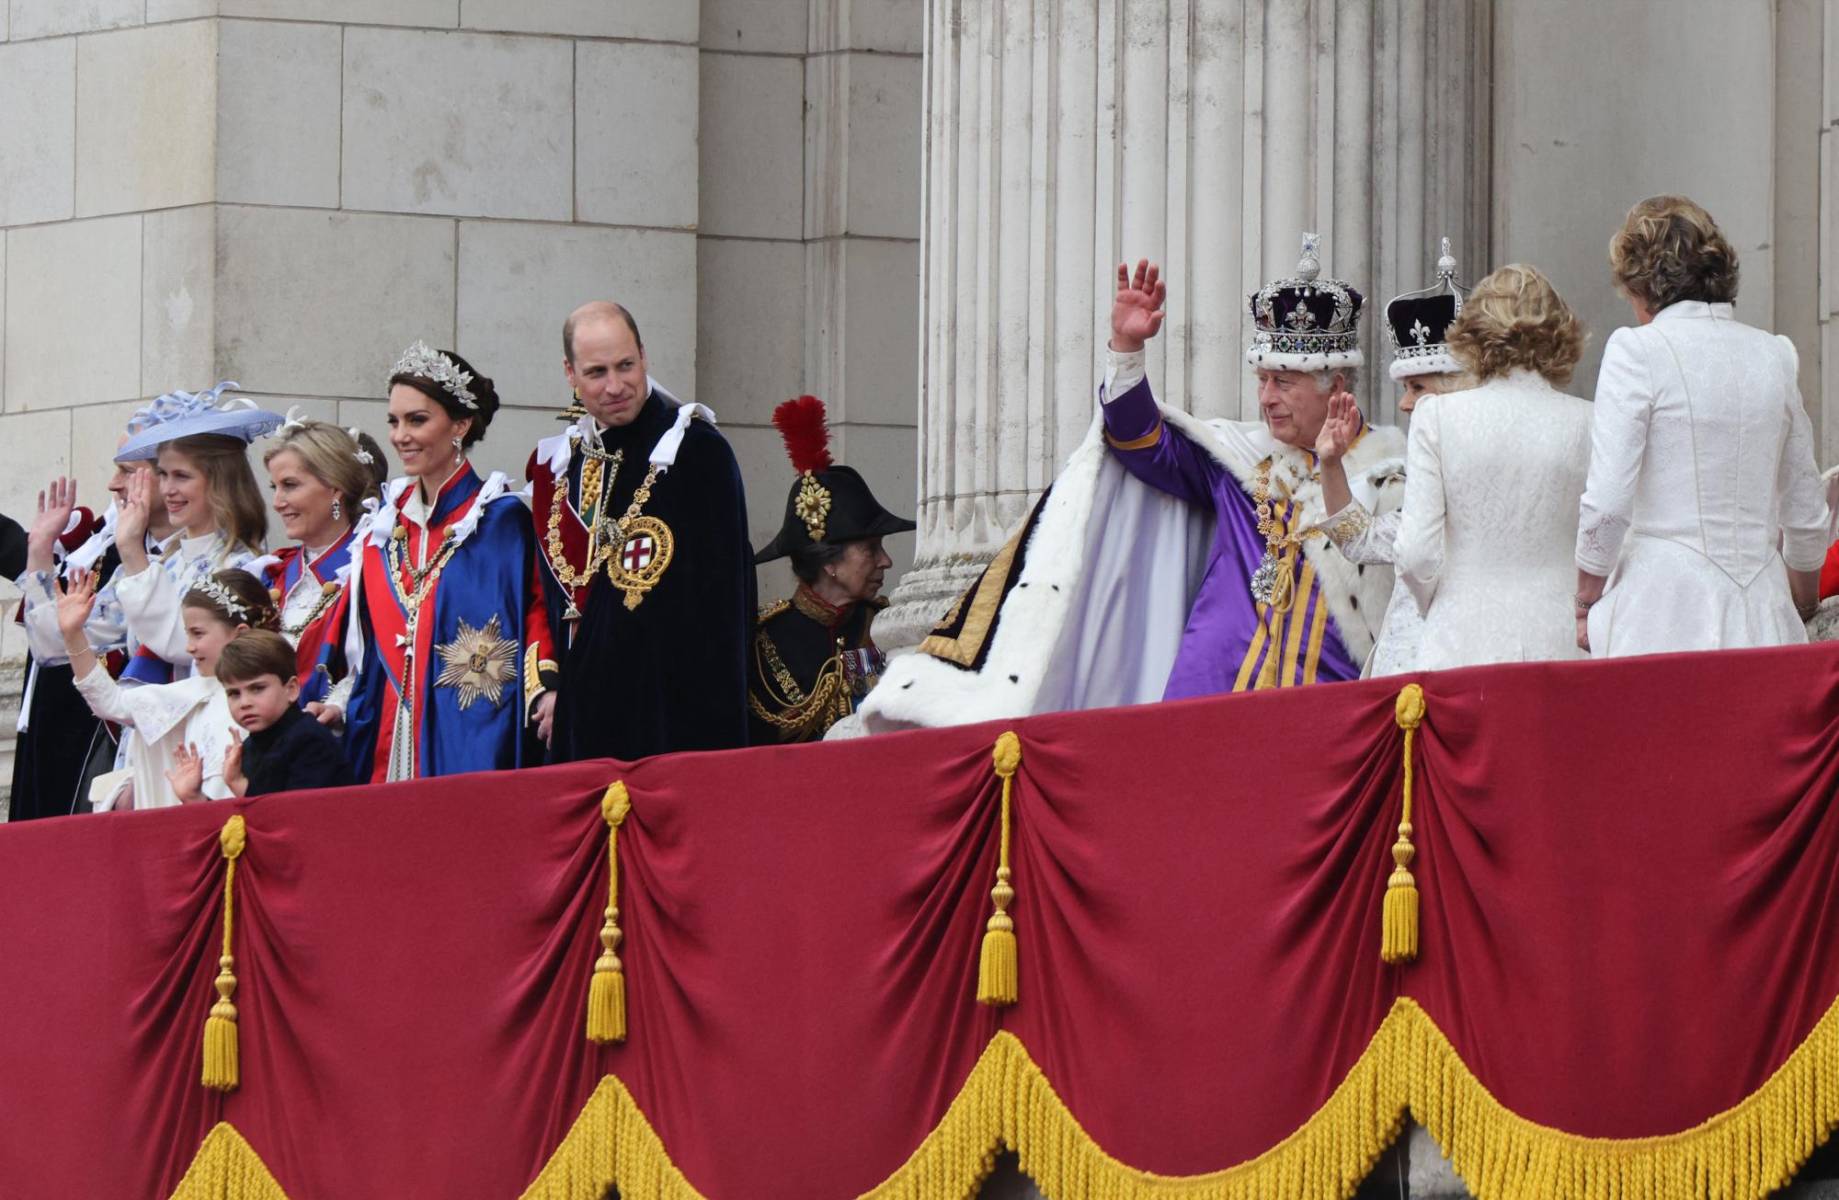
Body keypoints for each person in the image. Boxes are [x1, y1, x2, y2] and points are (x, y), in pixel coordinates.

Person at [858, 235, 1406, 730]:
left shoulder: (1390, 478)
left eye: (1282, 383)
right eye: (1261, 379)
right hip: (1205, 710)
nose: (1265, 398)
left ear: (1335, 384)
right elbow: (1139, 442)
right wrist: (1126, 350)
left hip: (1327, 724)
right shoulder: (1242, 461)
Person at [1575, 196, 1828, 655]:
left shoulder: (1636, 351)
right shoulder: (1776, 355)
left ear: (1641, 284)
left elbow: (1608, 504)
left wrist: (1585, 597)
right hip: (1764, 613)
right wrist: (1803, 600)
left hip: (1661, 614)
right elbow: (1807, 515)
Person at [530, 301, 754, 762]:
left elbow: (722, 610)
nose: (615, 387)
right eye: (596, 372)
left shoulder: (695, 451)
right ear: (570, 374)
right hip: (578, 728)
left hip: (670, 728)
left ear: (644, 356)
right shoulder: (569, 462)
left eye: (626, 366)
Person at [336, 343, 557, 783]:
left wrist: (545, 687)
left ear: (460, 424)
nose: (400, 435)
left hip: (474, 726)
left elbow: (535, 608)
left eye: (417, 420)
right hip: (387, 722)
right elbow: (362, 639)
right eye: (394, 421)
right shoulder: (384, 525)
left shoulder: (502, 519)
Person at [1377, 264, 1593, 669]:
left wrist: (1443, 607)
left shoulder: (1437, 416)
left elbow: (1415, 554)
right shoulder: (1591, 421)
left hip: (1460, 639)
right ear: (1559, 333)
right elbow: (1607, 541)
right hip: (1562, 640)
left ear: (1473, 333)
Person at [10, 396, 194, 819]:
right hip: (137, 751)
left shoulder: (219, 558)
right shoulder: (130, 557)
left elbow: (177, 644)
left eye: (127, 472)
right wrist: (39, 550)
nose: (112, 485)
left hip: (191, 752)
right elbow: (50, 645)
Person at [1317, 239, 1470, 677]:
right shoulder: (1427, 472)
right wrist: (1331, 464)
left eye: (1417, 388)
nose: (1404, 405)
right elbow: (1357, 540)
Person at [749, 396, 914, 743]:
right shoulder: (763, 640)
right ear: (829, 562)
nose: (886, 561)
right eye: (870, 549)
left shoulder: (885, 626)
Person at [57, 568, 274, 810]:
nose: (189, 648)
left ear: (239, 633)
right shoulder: (193, 693)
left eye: (198, 634)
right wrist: (73, 635)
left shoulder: (275, 696)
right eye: (187, 635)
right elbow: (111, 702)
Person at [110, 383, 282, 681]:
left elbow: (183, 645)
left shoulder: (241, 567)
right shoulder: (166, 560)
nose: (168, 489)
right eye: (163, 474)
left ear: (220, 482)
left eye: (181, 476)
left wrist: (131, 550)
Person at [255, 415, 388, 710]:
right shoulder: (273, 572)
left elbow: (382, 668)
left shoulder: (374, 571)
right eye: (274, 487)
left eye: (290, 485)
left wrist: (339, 707)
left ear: (335, 488)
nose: (277, 501)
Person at [215, 630, 353, 796]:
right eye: (234, 694)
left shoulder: (310, 740)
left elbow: (295, 815)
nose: (244, 703)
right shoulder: (250, 747)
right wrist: (193, 796)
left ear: (291, 689)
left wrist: (238, 784)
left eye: (257, 688)